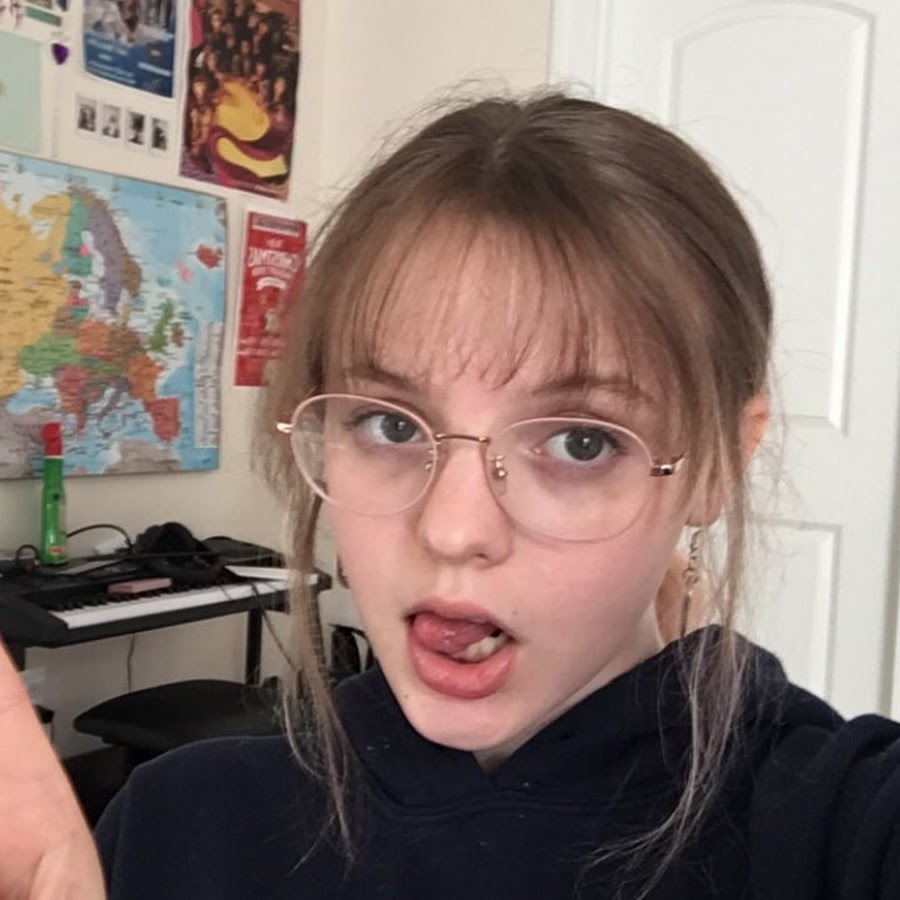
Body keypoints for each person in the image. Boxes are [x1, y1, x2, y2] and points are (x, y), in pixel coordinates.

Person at [1, 90, 899, 899]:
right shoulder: (180, 824)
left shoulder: (835, 825)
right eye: (389, 425)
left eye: (580, 442)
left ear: (716, 463)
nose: (453, 529)